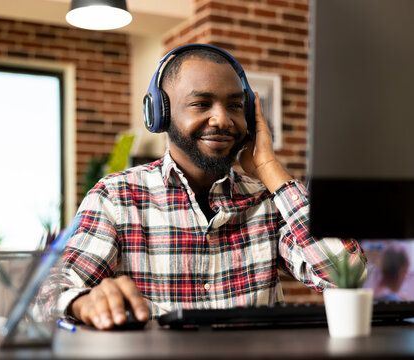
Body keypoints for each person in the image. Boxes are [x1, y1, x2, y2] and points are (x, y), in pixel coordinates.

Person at [39, 44, 366, 330]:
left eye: (235, 106)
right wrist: (82, 302)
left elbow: (350, 276)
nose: (222, 119)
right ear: (160, 113)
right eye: (201, 104)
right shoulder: (117, 196)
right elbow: (48, 291)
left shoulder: (267, 198)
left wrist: (270, 169)